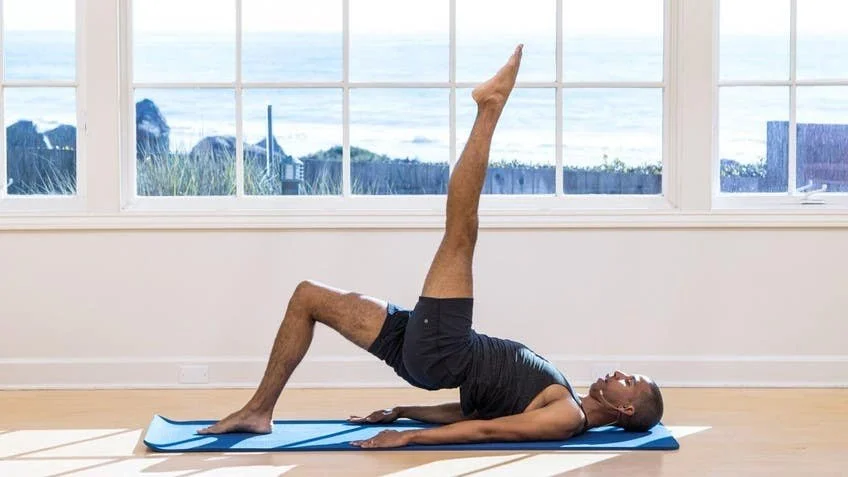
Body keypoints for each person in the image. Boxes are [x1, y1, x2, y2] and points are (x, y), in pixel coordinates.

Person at [198, 45, 664, 448]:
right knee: (308, 296)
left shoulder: (568, 417)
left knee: (461, 230)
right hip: (429, 349)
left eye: (629, 381)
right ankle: (259, 410)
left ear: (624, 409)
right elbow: (477, 415)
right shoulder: (565, 397)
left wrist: (410, 438)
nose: (619, 372)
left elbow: (487, 435)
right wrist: (403, 411)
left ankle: (490, 108)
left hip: (445, 348)